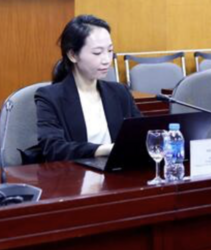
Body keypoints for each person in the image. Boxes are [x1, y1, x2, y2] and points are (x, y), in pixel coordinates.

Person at [36, 15, 140, 161]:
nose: (106, 60)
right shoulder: (50, 97)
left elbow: (140, 134)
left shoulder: (120, 92)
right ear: (73, 55)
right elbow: (53, 148)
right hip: (74, 177)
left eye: (110, 51)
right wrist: (105, 149)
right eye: (97, 52)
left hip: (117, 174)